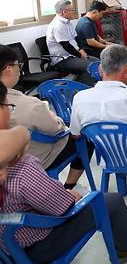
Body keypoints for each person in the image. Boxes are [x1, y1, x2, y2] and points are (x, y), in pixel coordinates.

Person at [0, 82, 127, 262]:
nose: (9, 111)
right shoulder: (22, 168)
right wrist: (70, 196)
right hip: (35, 246)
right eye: (8, 106)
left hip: (6, 250)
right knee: (111, 201)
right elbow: (62, 208)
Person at [0, 45, 95, 189]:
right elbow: (57, 129)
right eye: (18, 65)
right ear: (8, 69)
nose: (19, 69)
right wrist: (51, 114)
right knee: (85, 137)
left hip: (10, 164)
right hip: (35, 158)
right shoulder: (28, 105)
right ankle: (69, 186)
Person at [46, 0, 97, 86]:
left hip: (73, 55)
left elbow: (76, 38)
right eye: (72, 10)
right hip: (63, 59)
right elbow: (66, 45)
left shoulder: (67, 23)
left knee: (97, 62)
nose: (74, 12)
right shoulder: (58, 25)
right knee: (91, 66)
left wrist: (81, 50)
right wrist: (80, 55)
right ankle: (82, 89)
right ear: (64, 12)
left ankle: (84, 84)